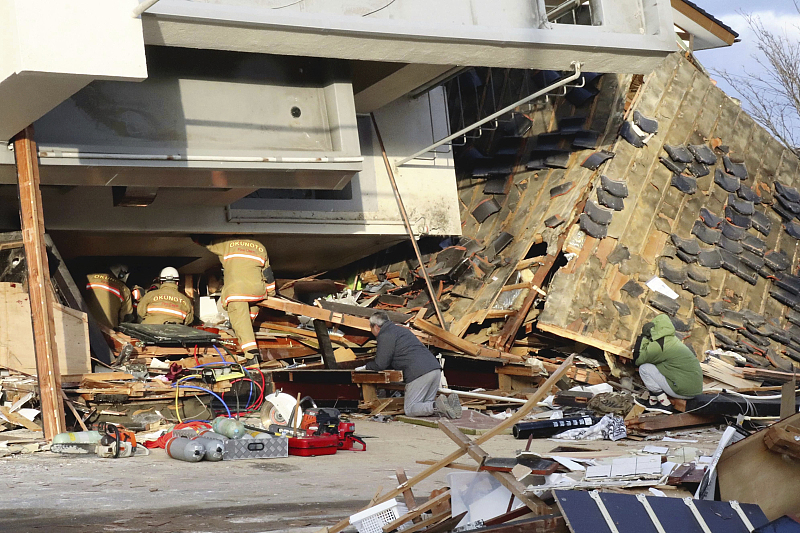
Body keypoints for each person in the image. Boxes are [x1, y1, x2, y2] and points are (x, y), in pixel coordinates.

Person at [356, 311, 461, 419]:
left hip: (419, 372)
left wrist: (366, 367)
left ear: (376, 327)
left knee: (410, 409)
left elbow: (381, 364)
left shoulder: (385, 334)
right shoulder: (401, 330)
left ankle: (437, 405)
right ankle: (447, 404)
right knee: (425, 404)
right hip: (434, 368)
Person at [193, 235, 275, 361]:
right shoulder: (259, 246)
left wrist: (195, 237)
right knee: (248, 317)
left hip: (238, 292)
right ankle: (240, 329)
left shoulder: (228, 243)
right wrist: (271, 292)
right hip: (257, 292)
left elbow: (208, 243)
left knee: (241, 322)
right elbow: (267, 273)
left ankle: (252, 356)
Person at [634, 313, 702, 414]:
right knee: (655, 366)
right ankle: (652, 401)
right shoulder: (672, 340)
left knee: (644, 368)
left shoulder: (661, 344)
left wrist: (643, 337)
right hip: (694, 389)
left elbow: (637, 359)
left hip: (684, 391)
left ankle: (664, 404)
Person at [84, 264, 134, 329]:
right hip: (108, 331)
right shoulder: (124, 289)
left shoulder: (87, 278)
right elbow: (126, 318)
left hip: (83, 326)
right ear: (122, 275)